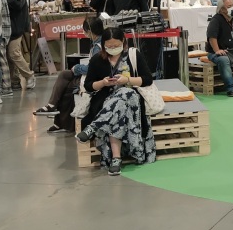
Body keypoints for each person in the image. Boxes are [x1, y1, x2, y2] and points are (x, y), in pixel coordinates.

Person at [74, 27, 156, 176]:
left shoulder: (133, 55)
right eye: (109, 46)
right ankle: (116, 158)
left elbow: (147, 79)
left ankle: (93, 127)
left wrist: (127, 80)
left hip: (132, 99)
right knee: (119, 107)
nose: (112, 49)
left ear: (123, 41)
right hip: (107, 100)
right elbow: (88, 86)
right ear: (103, 45)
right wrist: (103, 83)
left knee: (125, 92)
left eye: (116, 45)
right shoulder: (97, 59)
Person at [34, 17, 105, 132]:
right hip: (91, 75)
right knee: (64, 74)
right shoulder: (97, 43)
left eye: (85, 30)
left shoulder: (99, 46)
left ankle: (58, 118)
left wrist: (77, 68)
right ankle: (52, 106)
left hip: (94, 78)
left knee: (67, 87)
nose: (84, 32)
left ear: (90, 31)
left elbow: (92, 69)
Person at [0, 0, 36, 92]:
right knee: (7, 55)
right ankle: (14, 81)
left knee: (14, 53)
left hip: (16, 25)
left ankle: (29, 75)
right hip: (2, 26)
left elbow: (19, 4)